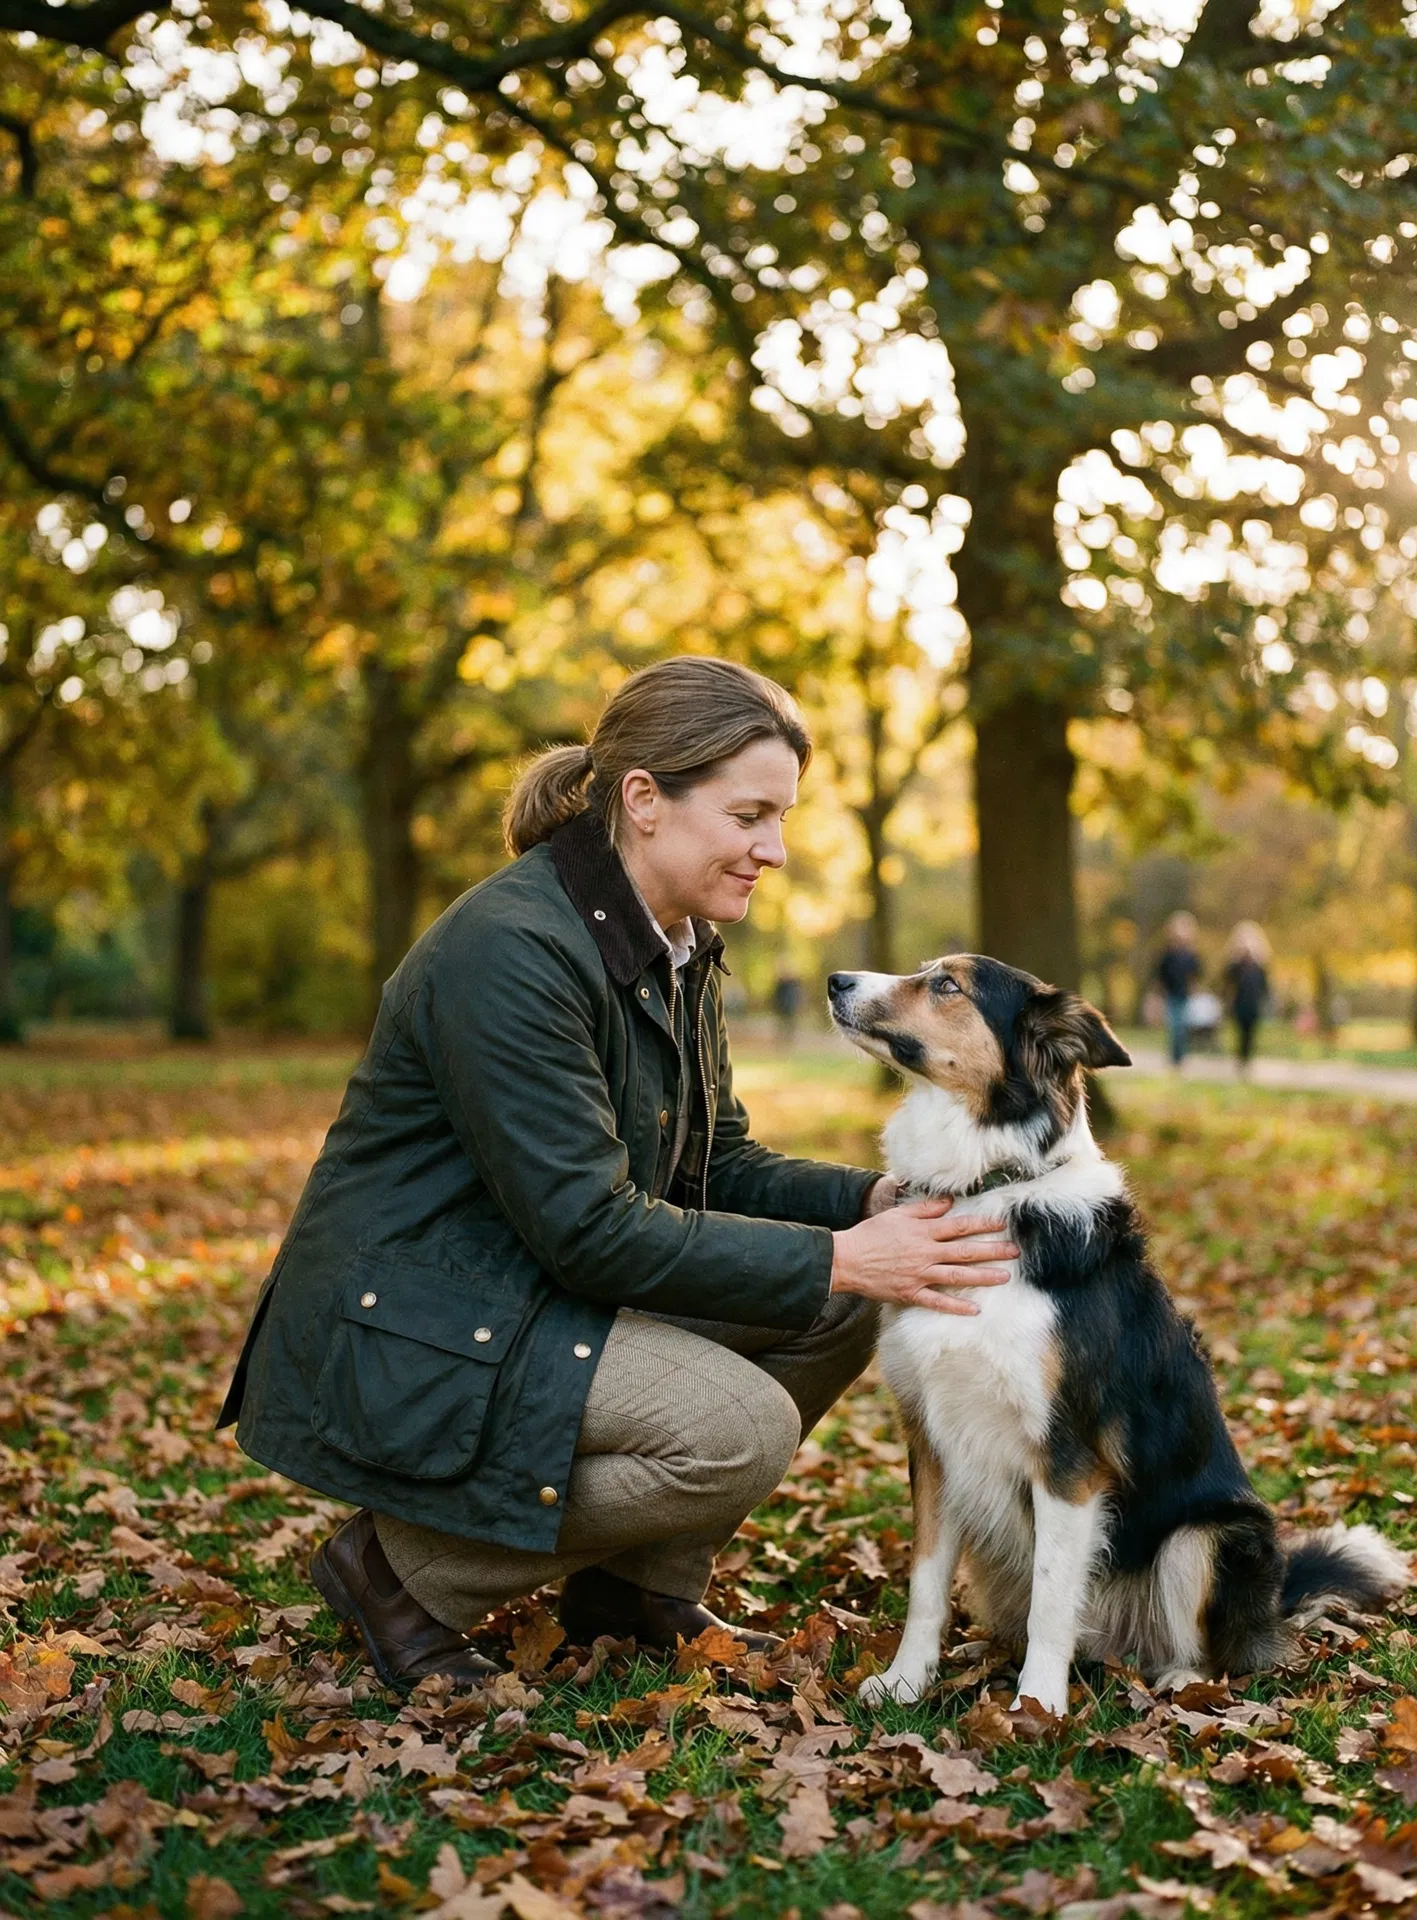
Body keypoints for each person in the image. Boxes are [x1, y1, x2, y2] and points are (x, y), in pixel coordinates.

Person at [217, 658, 1016, 1690]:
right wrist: (843, 1256)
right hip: (414, 1316)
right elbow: (587, 1229)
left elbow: (716, 1162)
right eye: (749, 816)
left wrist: (863, 1207)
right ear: (644, 800)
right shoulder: (510, 953)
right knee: (738, 1432)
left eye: (781, 819)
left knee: (836, 1307)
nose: (773, 850)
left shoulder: (677, 942)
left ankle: (634, 1588)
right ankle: (400, 1573)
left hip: (525, 1290)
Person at [1153, 912, 1202, 1069]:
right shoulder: (1167, 954)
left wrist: (1194, 989)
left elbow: (1196, 975)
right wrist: (1157, 995)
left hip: (1185, 995)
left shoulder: (1192, 955)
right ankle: (1174, 1058)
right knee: (1175, 1026)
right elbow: (1160, 976)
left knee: (1182, 1027)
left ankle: (1181, 1057)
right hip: (1171, 995)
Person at [1224, 922, 1272, 1073]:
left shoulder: (1259, 966)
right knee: (1240, 1031)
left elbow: (1265, 985)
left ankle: (1247, 1059)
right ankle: (1240, 1059)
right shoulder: (1236, 965)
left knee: (1251, 1032)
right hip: (1239, 1003)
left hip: (1254, 1003)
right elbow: (1227, 979)